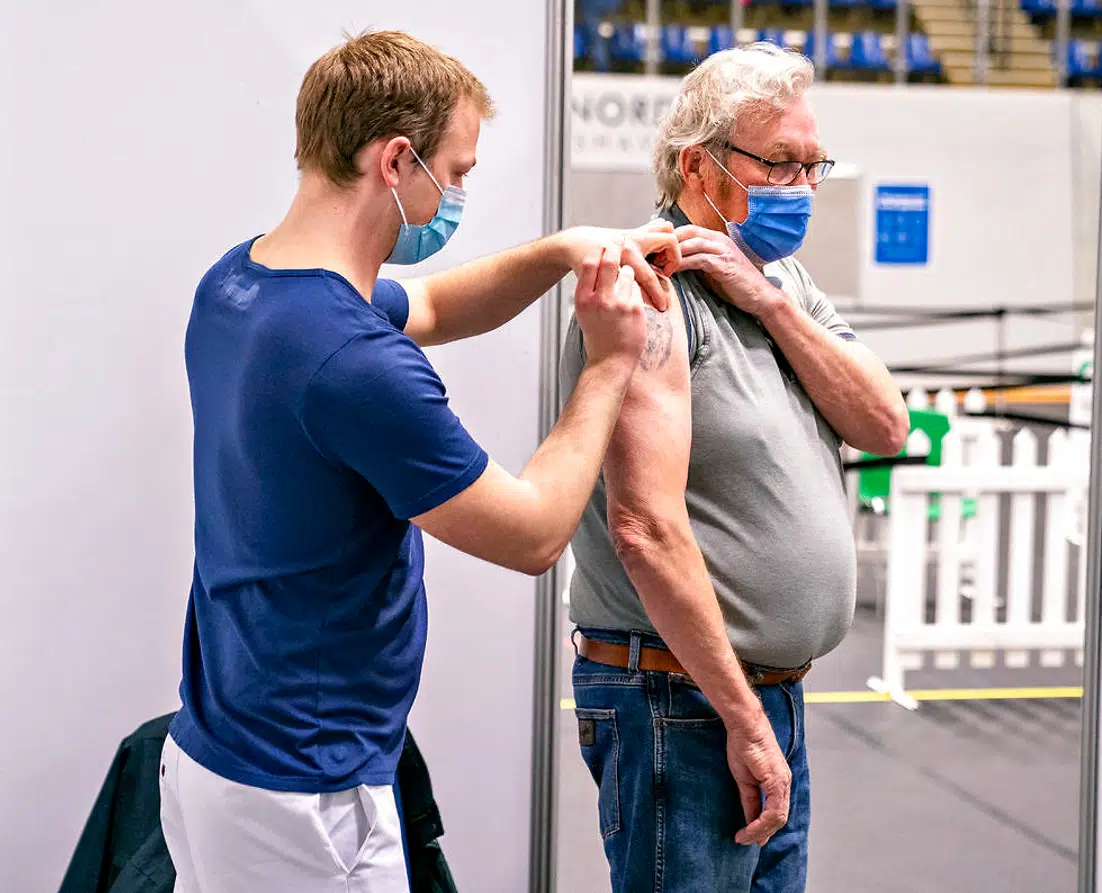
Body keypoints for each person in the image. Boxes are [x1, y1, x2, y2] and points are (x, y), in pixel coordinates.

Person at [158, 30, 679, 893]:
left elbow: (432, 302)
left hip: (224, 754)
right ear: (397, 160)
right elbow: (533, 533)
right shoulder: (352, 361)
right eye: (457, 172)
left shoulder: (239, 285)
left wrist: (565, 249)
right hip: (303, 797)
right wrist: (609, 363)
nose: (459, 193)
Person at [560, 42, 910, 893]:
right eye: (778, 163)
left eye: (812, 165)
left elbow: (884, 424)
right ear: (700, 167)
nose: (801, 185)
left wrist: (769, 303)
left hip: (761, 697)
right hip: (683, 701)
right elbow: (643, 530)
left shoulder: (782, 280)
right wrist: (742, 718)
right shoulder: (653, 292)